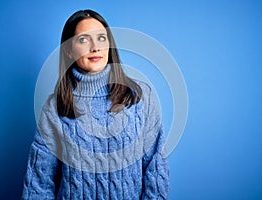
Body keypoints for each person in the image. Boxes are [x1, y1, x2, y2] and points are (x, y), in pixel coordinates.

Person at [21, 9, 169, 199]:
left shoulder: (139, 96)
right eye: (83, 40)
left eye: (101, 38)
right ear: (68, 49)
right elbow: (38, 183)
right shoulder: (55, 108)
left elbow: (156, 167)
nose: (95, 47)